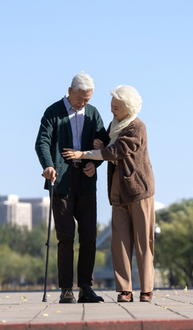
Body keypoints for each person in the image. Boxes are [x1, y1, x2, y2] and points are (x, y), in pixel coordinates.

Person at [63, 85, 155, 303]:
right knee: (119, 242)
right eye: (111, 106)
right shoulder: (115, 125)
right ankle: (125, 290)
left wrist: (84, 154)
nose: (112, 110)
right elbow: (106, 141)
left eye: (116, 107)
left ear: (128, 107)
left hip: (139, 190)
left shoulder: (136, 127)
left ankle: (146, 290)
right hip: (118, 192)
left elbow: (116, 151)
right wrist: (100, 142)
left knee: (143, 242)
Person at [35, 72, 108, 304]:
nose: (83, 103)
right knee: (65, 237)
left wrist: (95, 162)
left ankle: (86, 287)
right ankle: (66, 289)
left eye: (87, 99)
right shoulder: (53, 112)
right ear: (69, 91)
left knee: (89, 236)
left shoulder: (93, 113)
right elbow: (42, 141)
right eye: (80, 99)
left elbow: (102, 142)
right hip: (62, 181)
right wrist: (48, 165)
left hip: (86, 181)